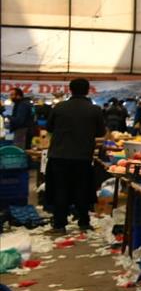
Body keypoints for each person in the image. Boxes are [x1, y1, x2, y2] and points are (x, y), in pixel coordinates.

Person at [46, 78, 106, 233]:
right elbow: (101, 132)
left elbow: (49, 127)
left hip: (59, 155)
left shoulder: (59, 107)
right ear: (87, 90)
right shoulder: (95, 110)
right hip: (82, 156)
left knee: (60, 188)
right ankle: (84, 222)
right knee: (82, 188)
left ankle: (60, 224)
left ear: (70, 90)